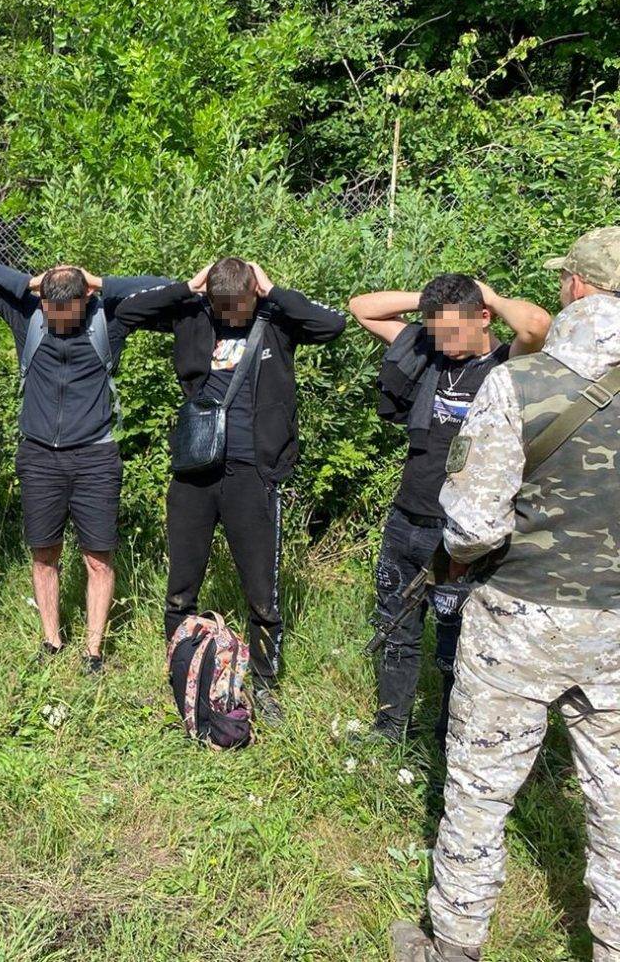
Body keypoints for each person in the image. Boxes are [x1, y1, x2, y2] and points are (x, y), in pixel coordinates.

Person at [391, 228, 620, 962]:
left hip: (519, 623)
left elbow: (474, 525)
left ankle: (454, 947)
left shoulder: (517, 384)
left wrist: (458, 563)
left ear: (579, 288)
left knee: (479, 793)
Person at [117, 256, 346, 723]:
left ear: (253, 294)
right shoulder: (193, 314)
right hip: (194, 473)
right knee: (182, 588)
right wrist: (187, 286)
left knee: (261, 591)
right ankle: (182, 678)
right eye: (223, 306)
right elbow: (128, 312)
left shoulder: (274, 319)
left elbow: (333, 324)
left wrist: (273, 290)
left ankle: (263, 684)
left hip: (254, 473)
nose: (231, 315)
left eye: (239, 305)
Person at [350, 275, 549, 743]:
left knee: (455, 641)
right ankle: (390, 729)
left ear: (483, 318)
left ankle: (449, 739)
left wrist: (491, 295)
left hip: (465, 533)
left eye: (455, 330)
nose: (446, 342)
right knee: (395, 627)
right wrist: (430, 305)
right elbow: (363, 307)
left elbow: (537, 325)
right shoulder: (428, 352)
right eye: (437, 331)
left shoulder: (507, 364)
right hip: (407, 518)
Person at [0, 260, 170, 671]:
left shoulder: (108, 318)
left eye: (68, 312)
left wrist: (103, 282)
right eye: (50, 311)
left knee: (98, 558)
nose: (58, 321)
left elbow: (166, 289)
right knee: (44, 553)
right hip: (39, 455)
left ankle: (93, 651)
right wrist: (30, 283)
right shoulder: (29, 316)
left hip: (95, 456)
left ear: (87, 299)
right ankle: (52, 640)